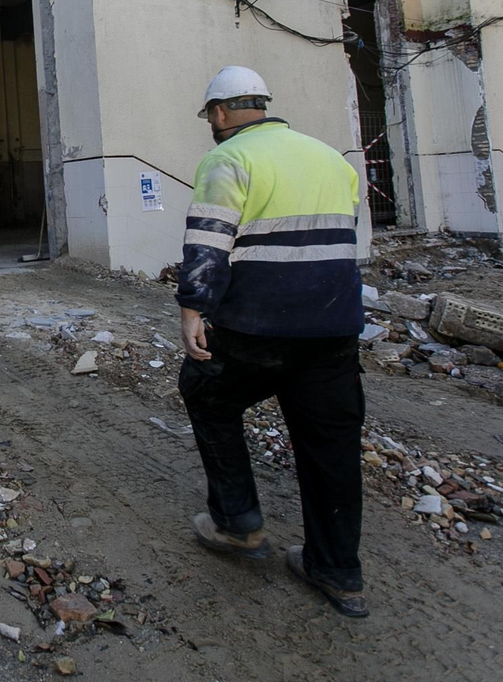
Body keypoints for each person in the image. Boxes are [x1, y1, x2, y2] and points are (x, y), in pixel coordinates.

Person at [174, 65, 369, 617]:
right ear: (263, 104)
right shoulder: (331, 158)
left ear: (219, 114)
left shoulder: (228, 159)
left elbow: (208, 244)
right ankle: (338, 572)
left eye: (211, 116)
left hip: (256, 328)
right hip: (333, 330)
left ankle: (239, 524)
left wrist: (193, 311)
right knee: (331, 448)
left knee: (206, 391)